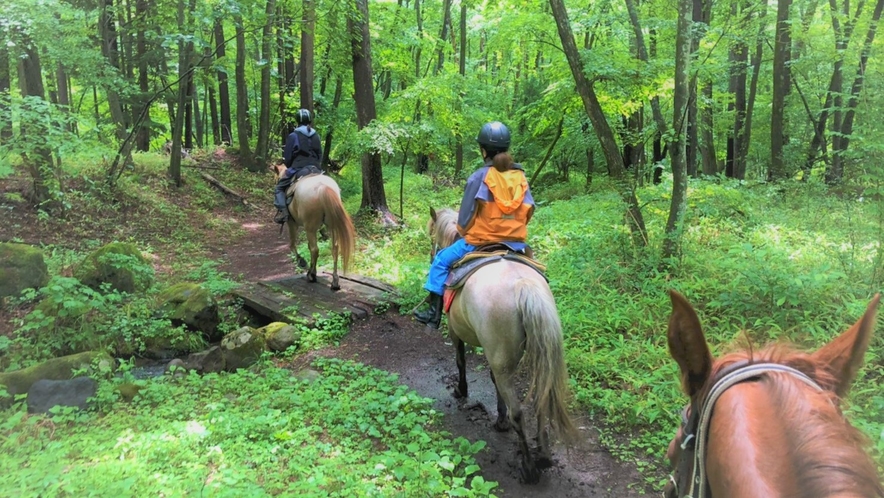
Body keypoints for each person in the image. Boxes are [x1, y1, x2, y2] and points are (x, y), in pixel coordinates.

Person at [414, 121, 535, 329]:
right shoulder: (520, 176)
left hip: (479, 243)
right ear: (506, 148)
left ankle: (433, 315)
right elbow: (529, 209)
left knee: (441, 260)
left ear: (483, 150)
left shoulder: (479, 177)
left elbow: (462, 223)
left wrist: (465, 230)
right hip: (515, 244)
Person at [274, 109, 323, 224]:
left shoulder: (293, 135)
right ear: (310, 120)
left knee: (279, 188)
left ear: (297, 120)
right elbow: (320, 154)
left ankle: (283, 212)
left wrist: (290, 166)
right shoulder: (316, 135)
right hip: (315, 168)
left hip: (299, 168)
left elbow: (288, 157)